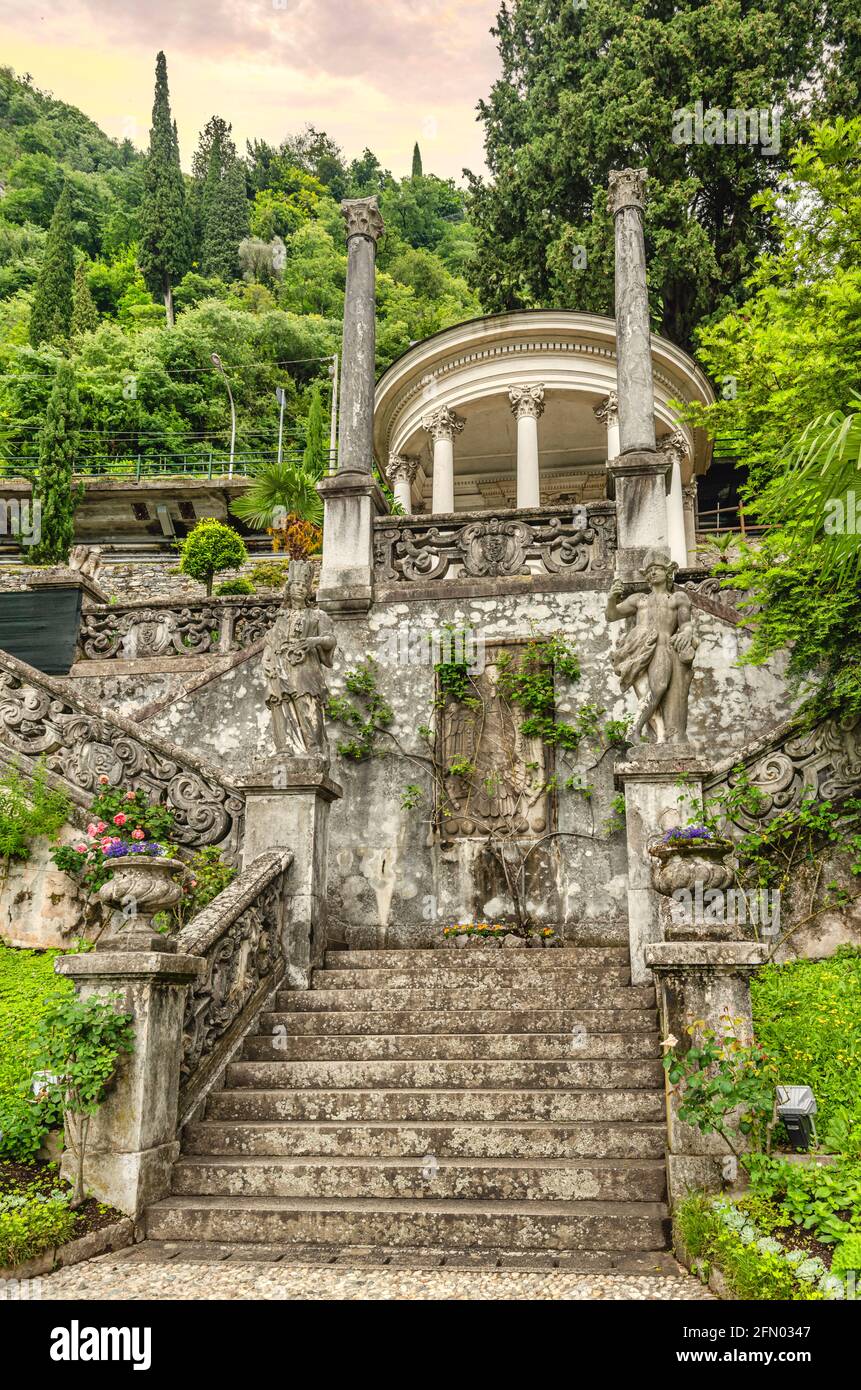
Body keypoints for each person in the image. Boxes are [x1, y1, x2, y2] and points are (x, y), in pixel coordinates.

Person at [605, 548, 698, 744]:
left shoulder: (677, 598)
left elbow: (686, 623)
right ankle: (658, 738)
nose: (652, 573)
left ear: (667, 572)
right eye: (648, 571)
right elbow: (611, 615)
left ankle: (636, 730)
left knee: (659, 688)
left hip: (662, 646)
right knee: (646, 694)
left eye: (657, 568)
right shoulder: (639, 599)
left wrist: (687, 633)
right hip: (636, 648)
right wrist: (612, 599)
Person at [262, 559, 336, 760]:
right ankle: (284, 747)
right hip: (280, 665)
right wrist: (267, 660)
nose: (300, 589)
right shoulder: (281, 616)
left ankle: (314, 749)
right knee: (281, 704)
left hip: (305, 666)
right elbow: (271, 641)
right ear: (289, 588)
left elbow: (330, 639)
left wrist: (314, 641)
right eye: (297, 585)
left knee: (308, 703)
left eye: (304, 586)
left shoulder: (317, 615)